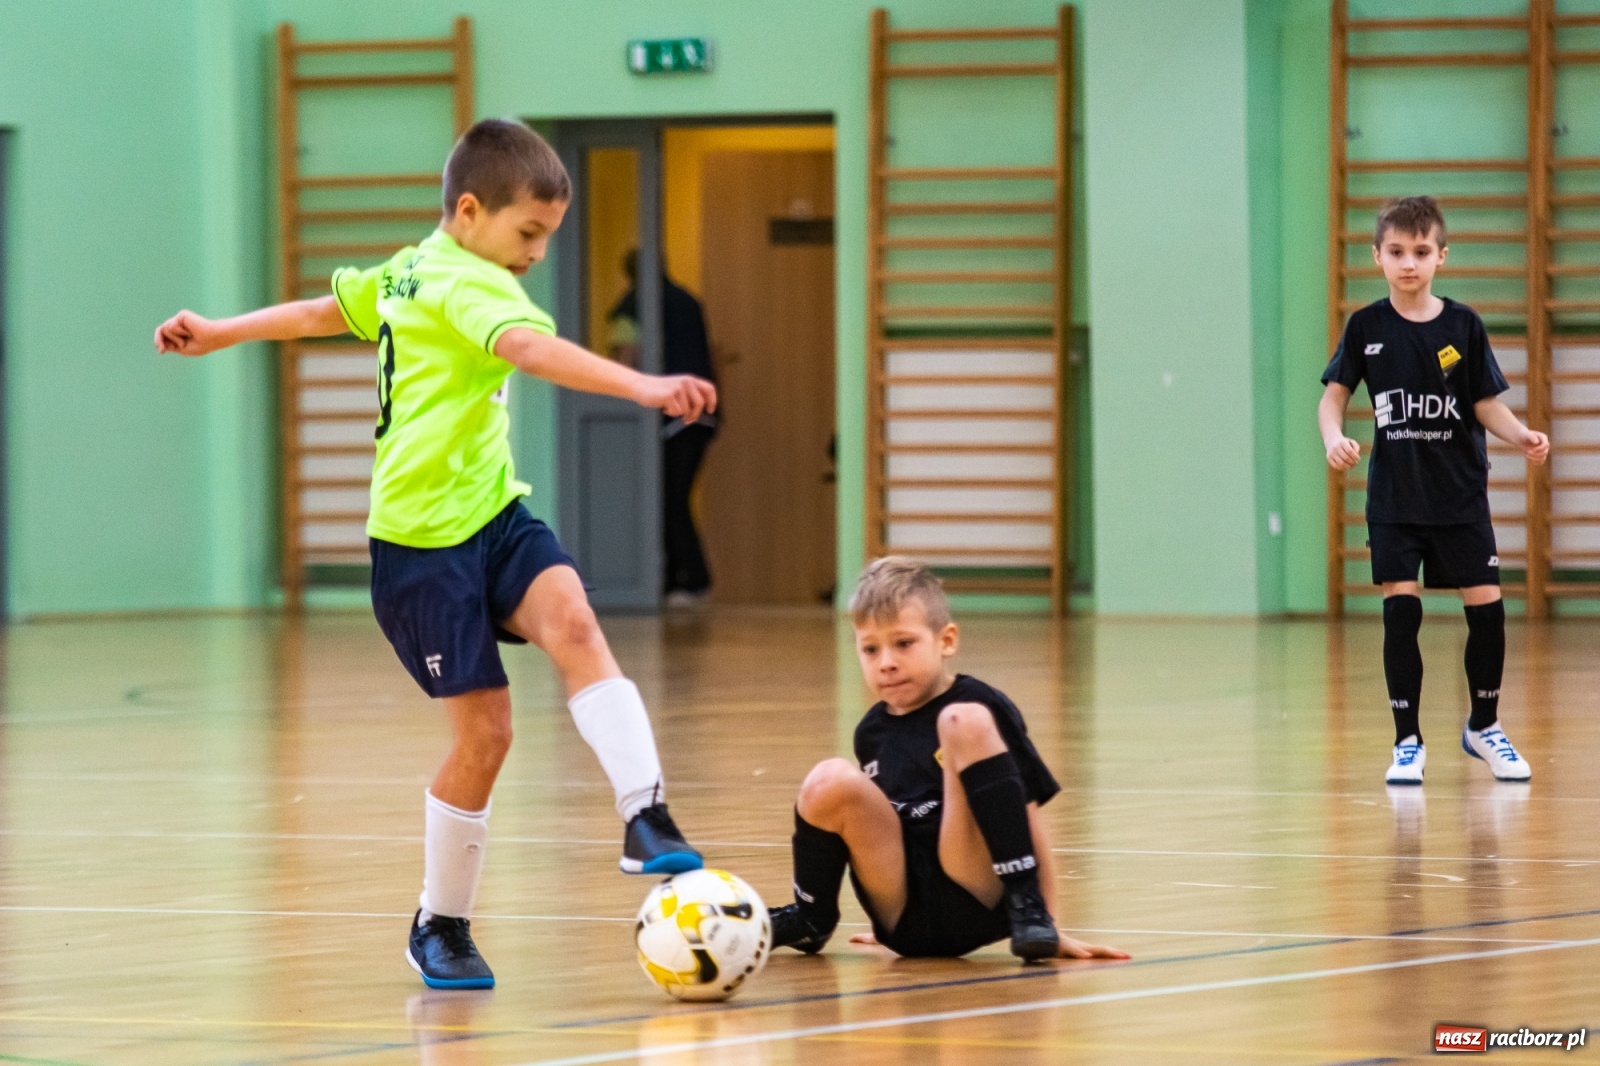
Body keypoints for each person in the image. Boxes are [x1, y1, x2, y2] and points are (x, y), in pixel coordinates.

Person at [154, 119, 714, 990]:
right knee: (487, 735)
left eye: (547, 236)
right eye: (528, 232)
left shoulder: (407, 269)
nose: (536, 253)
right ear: (471, 210)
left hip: (492, 512)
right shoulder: (462, 283)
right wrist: (643, 384)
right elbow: (528, 349)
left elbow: (322, 310)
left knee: (574, 621)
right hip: (419, 544)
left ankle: (646, 816)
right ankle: (439, 923)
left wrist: (222, 329)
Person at [766, 557, 1129, 964]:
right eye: (870, 649)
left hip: (974, 890)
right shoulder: (871, 732)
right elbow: (880, 832)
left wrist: (1049, 921)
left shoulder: (982, 706)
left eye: (903, 643)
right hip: (903, 917)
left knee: (963, 720)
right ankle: (811, 917)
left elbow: (1025, 815)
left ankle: (1028, 910)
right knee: (828, 778)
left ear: (947, 641)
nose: (886, 661)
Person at [1318, 195, 1550, 786]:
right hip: (1395, 500)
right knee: (1401, 612)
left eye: (1421, 252)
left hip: (1459, 496)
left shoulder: (1462, 325)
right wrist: (1333, 437)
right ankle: (1407, 742)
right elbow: (1333, 398)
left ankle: (1484, 727)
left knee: (1488, 610)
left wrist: (1520, 434)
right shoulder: (1366, 326)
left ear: (1441, 256)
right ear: (1377, 255)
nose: (1408, 263)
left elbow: (1483, 403)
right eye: (1396, 251)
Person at [608, 250, 718, 603]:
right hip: (701, 411)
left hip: (672, 415)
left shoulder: (634, 304)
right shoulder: (689, 301)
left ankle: (689, 580)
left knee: (668, 498)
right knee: (672, 496)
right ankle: (676, 579)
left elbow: (627, 354)